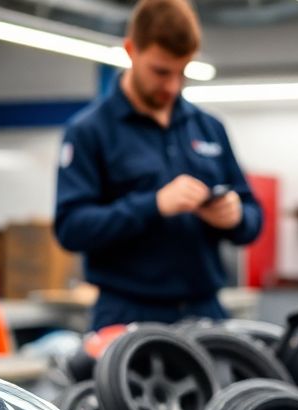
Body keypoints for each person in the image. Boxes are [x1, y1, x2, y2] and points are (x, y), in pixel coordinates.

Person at [55, 0, 262, 330]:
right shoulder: (90, 131)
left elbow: (253, 216)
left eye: (182, 72)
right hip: (127, 314)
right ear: (130, 50)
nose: (172, 86)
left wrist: (235, 217)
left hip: (205, 310)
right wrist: (153, 205)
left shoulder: (209, 127)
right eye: (161, 71)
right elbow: (71, 228)